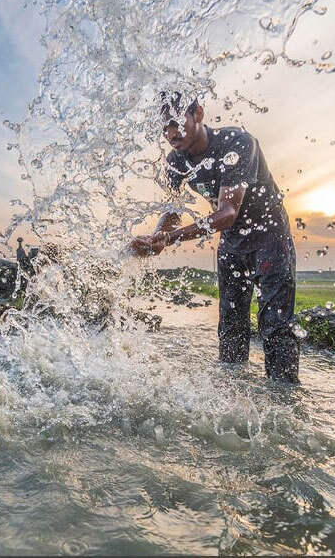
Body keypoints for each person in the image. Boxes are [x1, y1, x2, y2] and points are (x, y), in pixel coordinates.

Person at [128, 91, 299, 384]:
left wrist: (170, 240)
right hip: (232, 245)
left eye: (175, 123)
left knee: (275, 326)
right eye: (164, 127)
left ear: (198, 114)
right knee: (231, 325)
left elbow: (227, 213)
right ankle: (232, 394)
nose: (170, 133)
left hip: (270, 239)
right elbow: (173, 209)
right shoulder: (176, 162)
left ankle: (284, 401)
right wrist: (157, 236)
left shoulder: (238, 143)